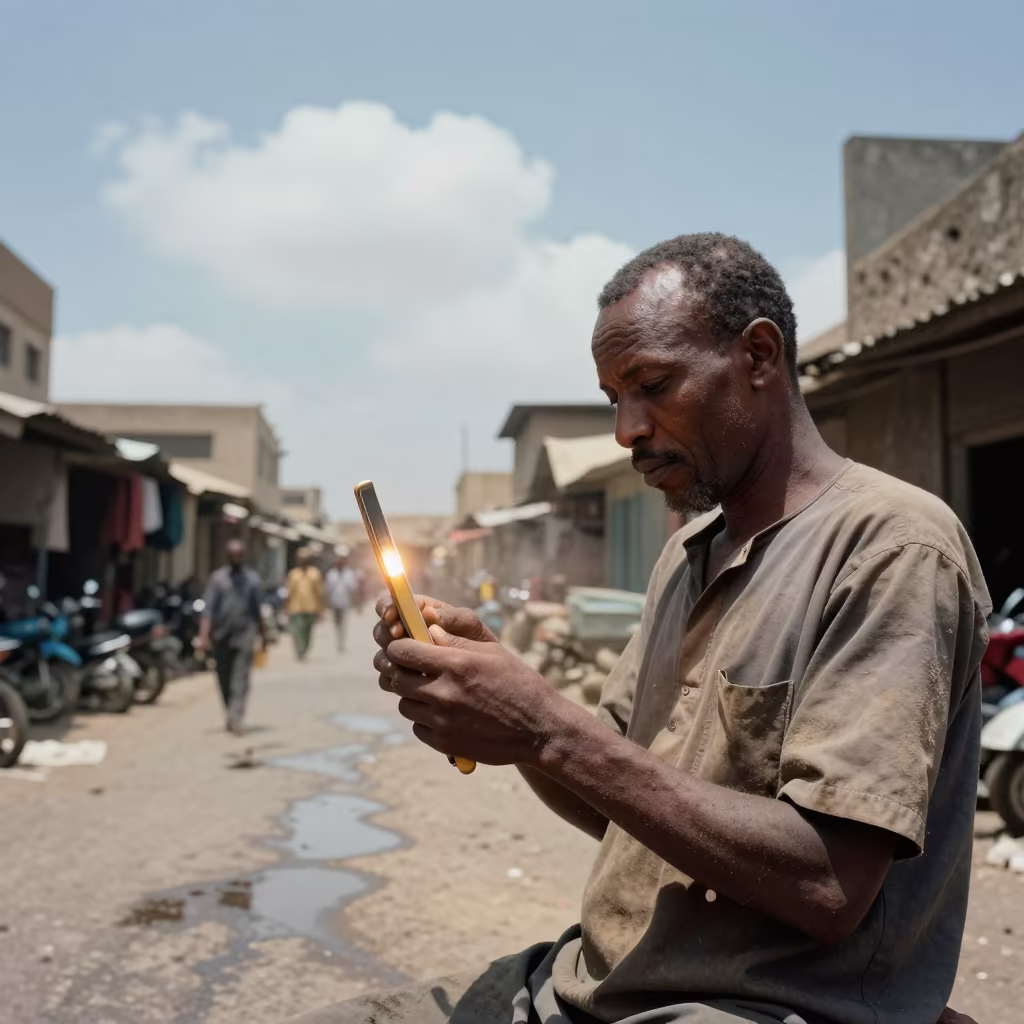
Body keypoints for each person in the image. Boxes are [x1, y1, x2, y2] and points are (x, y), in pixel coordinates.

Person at [291, 234, 986, 1024]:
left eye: (652, 386)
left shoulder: (891, 547)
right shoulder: (691, 551)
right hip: (591, 982)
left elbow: (826, 886)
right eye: (613, 399)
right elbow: (612, 794)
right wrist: (509, 714)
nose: (627, 429)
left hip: (748, 1006)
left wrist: (543, 725)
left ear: (759, 355)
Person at [195, 538, 264, 735]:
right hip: (221, 636)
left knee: (240, 679)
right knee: (223, 678)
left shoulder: (252, 580)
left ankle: (237, 717)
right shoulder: (218, 579)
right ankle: (230, 712)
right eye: (233, 554)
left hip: (244, 635)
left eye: (240, 554)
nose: (236, 558)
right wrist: (203, 637)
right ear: (227, 555)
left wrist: (263, 637)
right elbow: (208, 610)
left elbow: (257, 611)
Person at [286, 547, 324, 661]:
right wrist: (286, 608)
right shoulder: (293, 574)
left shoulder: (315, 574)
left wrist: (320, 610)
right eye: (301, 559)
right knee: (297, 631)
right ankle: (299, 650)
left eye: (305, 559)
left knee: (307, 632)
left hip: (311, 608)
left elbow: (320, 593)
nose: (303, 561)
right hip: (296, 608)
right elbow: (289, 592)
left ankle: (305, 648)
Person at [325, 549, 360, 652]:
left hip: (344, 603)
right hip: (334, 602)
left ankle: (341, 642)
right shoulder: (331, 574)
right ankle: (338, 638)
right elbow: (327, 589)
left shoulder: (349, 574)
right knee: (336, 623)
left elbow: (353, 588)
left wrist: (356, 602)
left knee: (342, 623)